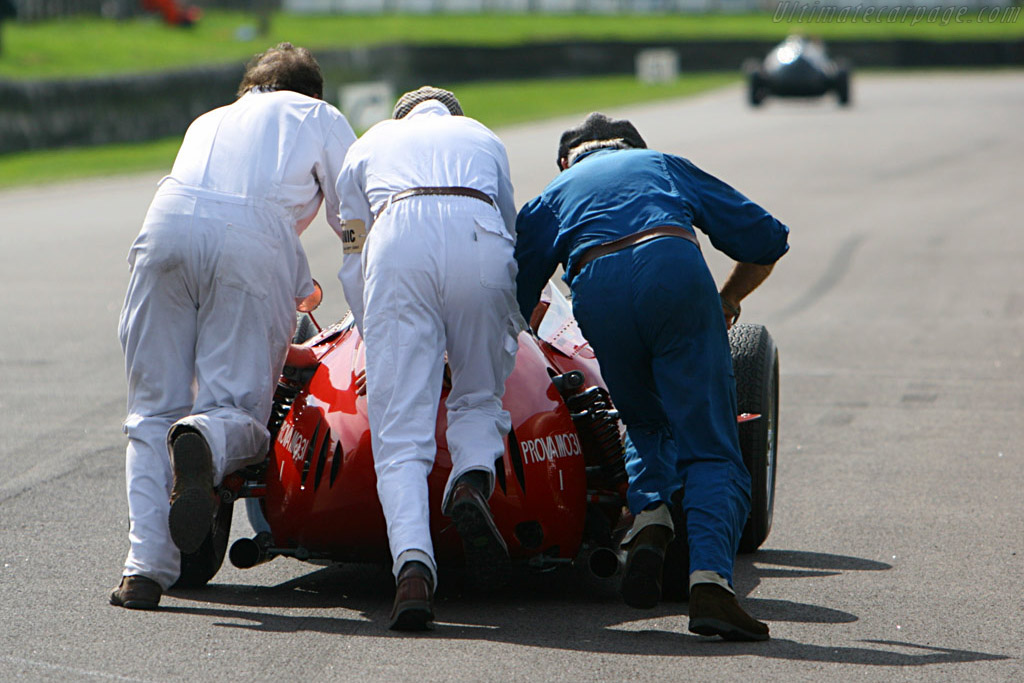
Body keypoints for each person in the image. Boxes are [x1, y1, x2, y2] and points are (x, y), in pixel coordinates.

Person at [514, 113, 789, 642]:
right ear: (630, 148)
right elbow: (767, 239)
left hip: (597, 290)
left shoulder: (553, 193)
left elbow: (514, 307)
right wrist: (728, 298)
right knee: (710, 447)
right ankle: (709, 584)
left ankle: (650, 520)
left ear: (568, 160)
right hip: (672, 272)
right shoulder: (661, 165)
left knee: (642, 423)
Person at [111, 43, 356, 610]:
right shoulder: (318, 116)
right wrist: (367, 302)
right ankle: (207, 439)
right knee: (238, 411)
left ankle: (144, 571)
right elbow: (352, 219)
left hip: (164, 229)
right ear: (309, 91)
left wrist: (297, 284)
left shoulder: (209, 119)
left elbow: (228, 209)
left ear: (251, 87)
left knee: (150, 409)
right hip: (251, 248)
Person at [335, 86, 521, 631]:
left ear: (403, 117)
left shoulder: (371, 141)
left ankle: (413, 569)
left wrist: (375, 336)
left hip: (398, 243)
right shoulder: (483, 136)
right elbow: (511, 229)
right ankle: (470, 477)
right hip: (479, 236)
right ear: (452, 115)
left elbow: (352, 253)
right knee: (479, 393)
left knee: (400, 434)